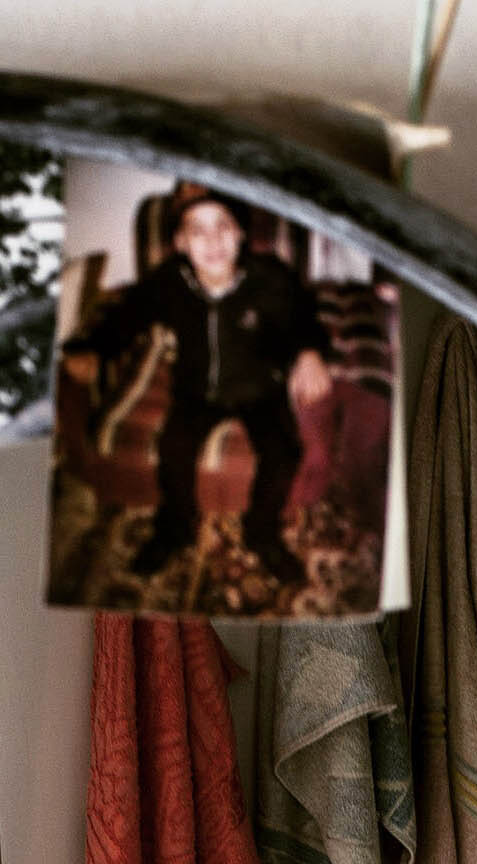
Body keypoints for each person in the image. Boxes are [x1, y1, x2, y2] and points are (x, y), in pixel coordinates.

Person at [65, 185, 334, 587]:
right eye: (197, 230)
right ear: (180, 242)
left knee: (282, 451)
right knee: (174, 448)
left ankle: (262, 533)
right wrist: (91, 348)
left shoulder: (268, 276)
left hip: (261, 389)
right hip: (196, 392)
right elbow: (127, 316)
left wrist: (310, 352)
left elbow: (302, 318)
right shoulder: (169, 282)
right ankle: (173, 530)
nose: (212, 241)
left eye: (222, 227)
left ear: (240, 234)